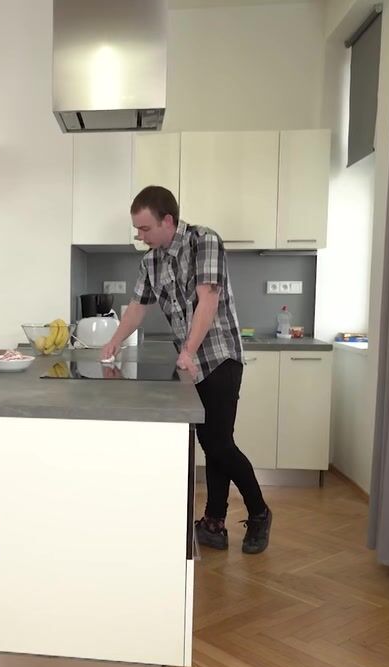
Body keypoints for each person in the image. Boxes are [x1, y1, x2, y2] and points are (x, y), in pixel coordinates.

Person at [99, 186, 272, 554]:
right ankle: (214, 524)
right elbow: (137, 307)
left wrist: (189, 350)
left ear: (168, 221)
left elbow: (208, 299)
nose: (140, 236)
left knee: (218, 443)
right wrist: (114, 340)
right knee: (212, 443)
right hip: (191, 364)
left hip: (220, 356)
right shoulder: (151, 262)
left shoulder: (204, 241)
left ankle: (259, 512)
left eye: (145, 228)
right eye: (137, 229)